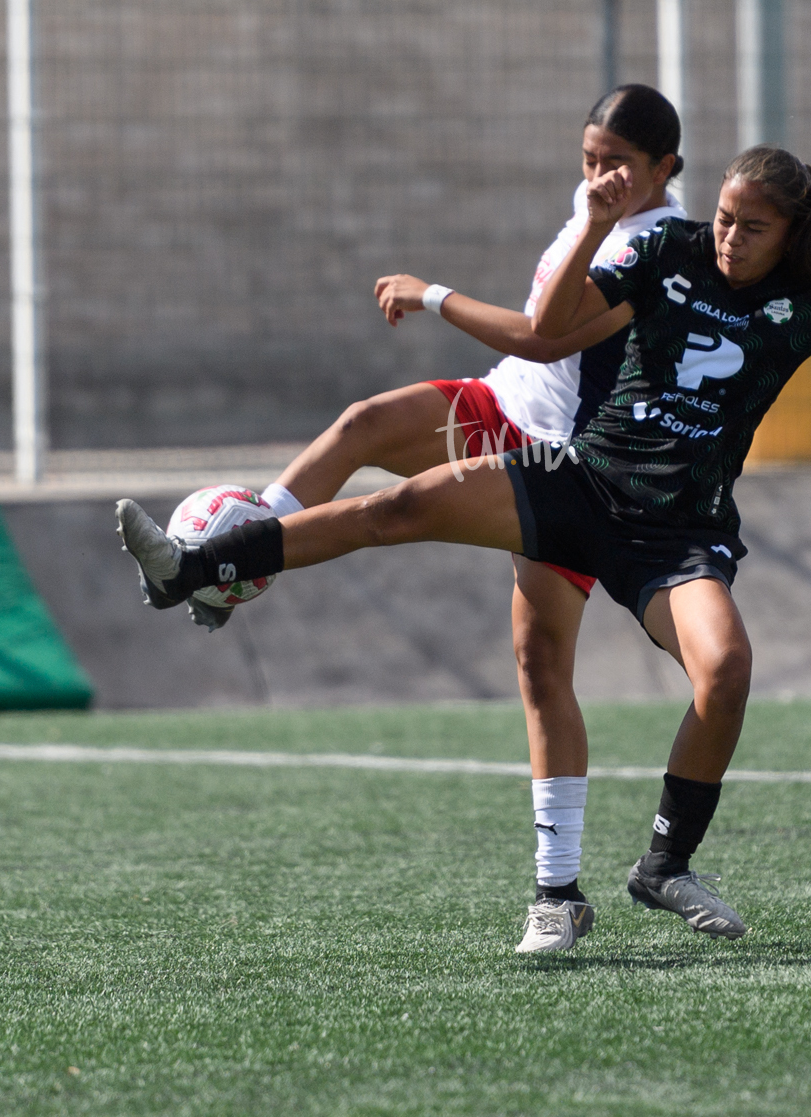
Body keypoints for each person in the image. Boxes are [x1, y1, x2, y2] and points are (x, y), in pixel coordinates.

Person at [118, 145, 811, 941]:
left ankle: (664, 864)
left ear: (791, 235)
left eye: (750, 228)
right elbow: (551, 329)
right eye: (725, 217)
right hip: (579, 479)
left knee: (725, 669)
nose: (727, 237)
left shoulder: (810, 302)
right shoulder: (668, 247)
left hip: (678, 533)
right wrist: (593, 224)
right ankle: (189, 569)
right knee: (398, 508)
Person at [146, 86, 687, 954]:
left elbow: (547, 333)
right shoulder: (603, 205)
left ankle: (558, 893)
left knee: (539, 659)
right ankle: (224, 556)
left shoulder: (661, 240)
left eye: (618, 163)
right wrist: (590, 208)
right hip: (495, 403)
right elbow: (535, 355)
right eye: (588, 157)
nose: (598, 176)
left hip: (559, 464)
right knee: (363, 423)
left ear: (668, 169)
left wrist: (433, 293)